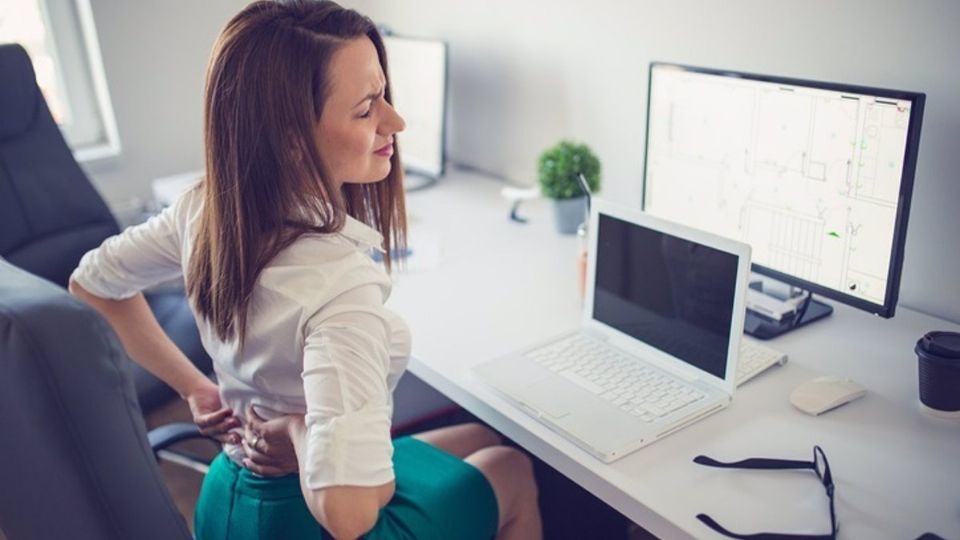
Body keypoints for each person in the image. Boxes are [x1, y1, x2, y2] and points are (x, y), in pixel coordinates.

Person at [68, 1, 542, 538]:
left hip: (229, 491)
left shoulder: (207, 207)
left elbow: (93, 284)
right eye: (366, 110)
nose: (396, 121)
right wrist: (296, 429)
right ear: (293, 142)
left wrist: (197, 391)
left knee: (482, 438)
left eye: (383, 95)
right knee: (511, 469)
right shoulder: (339, 295)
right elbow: (349, 515)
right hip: (303, 513)